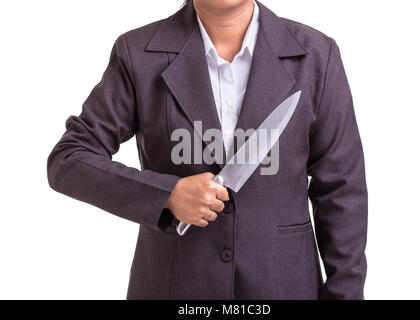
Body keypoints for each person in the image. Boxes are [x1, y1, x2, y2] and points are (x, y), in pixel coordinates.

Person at [47, 0, 368, 299]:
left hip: (283, 285)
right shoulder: (138, 53)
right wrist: (168, 194)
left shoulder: (316, 55)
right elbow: (69, 159)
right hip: (174, 286)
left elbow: (342, 191)